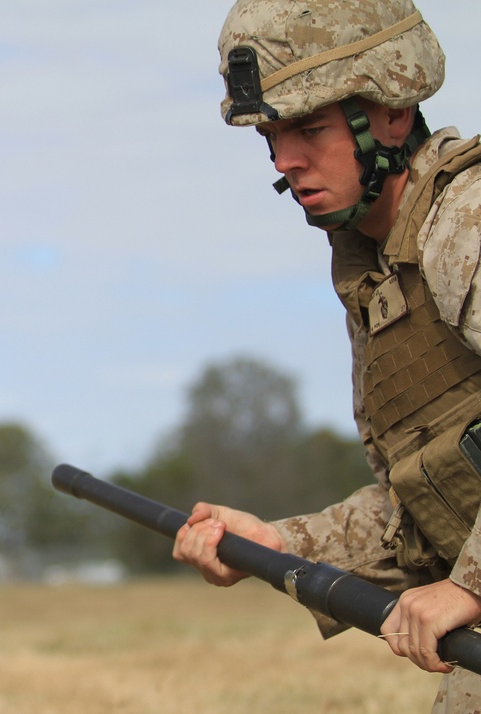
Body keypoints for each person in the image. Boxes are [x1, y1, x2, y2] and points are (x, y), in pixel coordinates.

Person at [171, 0, 481, 710]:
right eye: (272, 136)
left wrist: (470, 586)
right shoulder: (375, 273)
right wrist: (275, 544)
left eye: (310, 128)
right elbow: (422, 509)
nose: (286, 160)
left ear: (393, 114)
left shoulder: (465, 220)